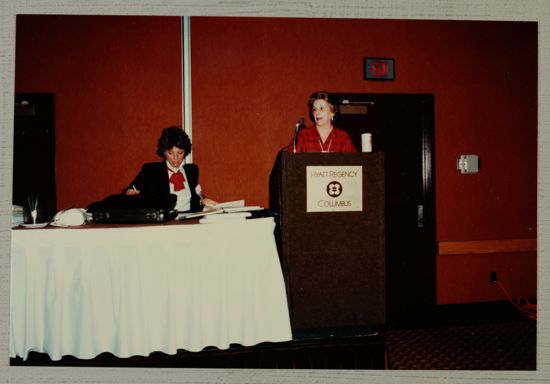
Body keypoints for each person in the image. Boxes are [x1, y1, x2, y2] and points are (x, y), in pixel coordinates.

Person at [124, 126, 216, 212]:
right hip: (164, 224)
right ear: (164, 152)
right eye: (170, 153)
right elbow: (129, 190)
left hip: (189, 222)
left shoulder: (192, 171)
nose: (176, 158)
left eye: (180, 153)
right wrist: (130, 192)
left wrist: (203, 200)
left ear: (185, 152)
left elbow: (197, 195)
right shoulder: (152, 170)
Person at [291, 91, 356, 153]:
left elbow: (354, 162)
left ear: (332, 112)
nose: (317, 113)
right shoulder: (304, 135)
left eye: (321, 108)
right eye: (314, 109)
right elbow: (293, 161)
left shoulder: (342, 137)